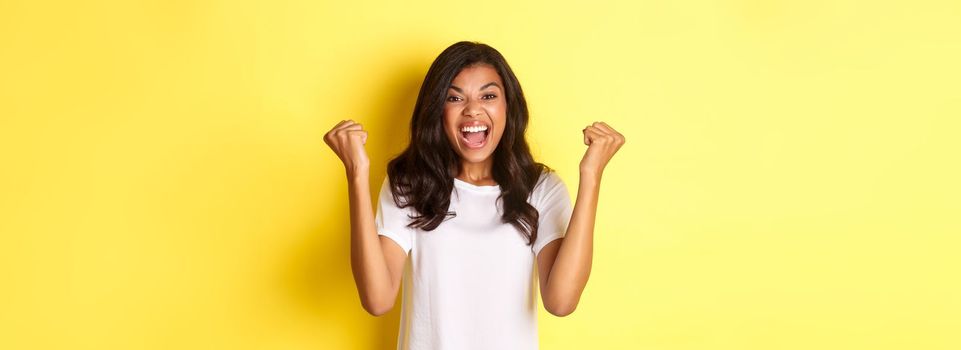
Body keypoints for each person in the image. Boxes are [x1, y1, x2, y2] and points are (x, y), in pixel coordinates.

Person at [323, 41, 625, 349]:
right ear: (437, 110)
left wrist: (591, 176)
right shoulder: (411, 184)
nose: (472, 110)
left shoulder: (541, 189)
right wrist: (356, 174)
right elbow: (377, 298)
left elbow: (561, 301)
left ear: (509, 106)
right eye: (454, 98)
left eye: (489, 95)